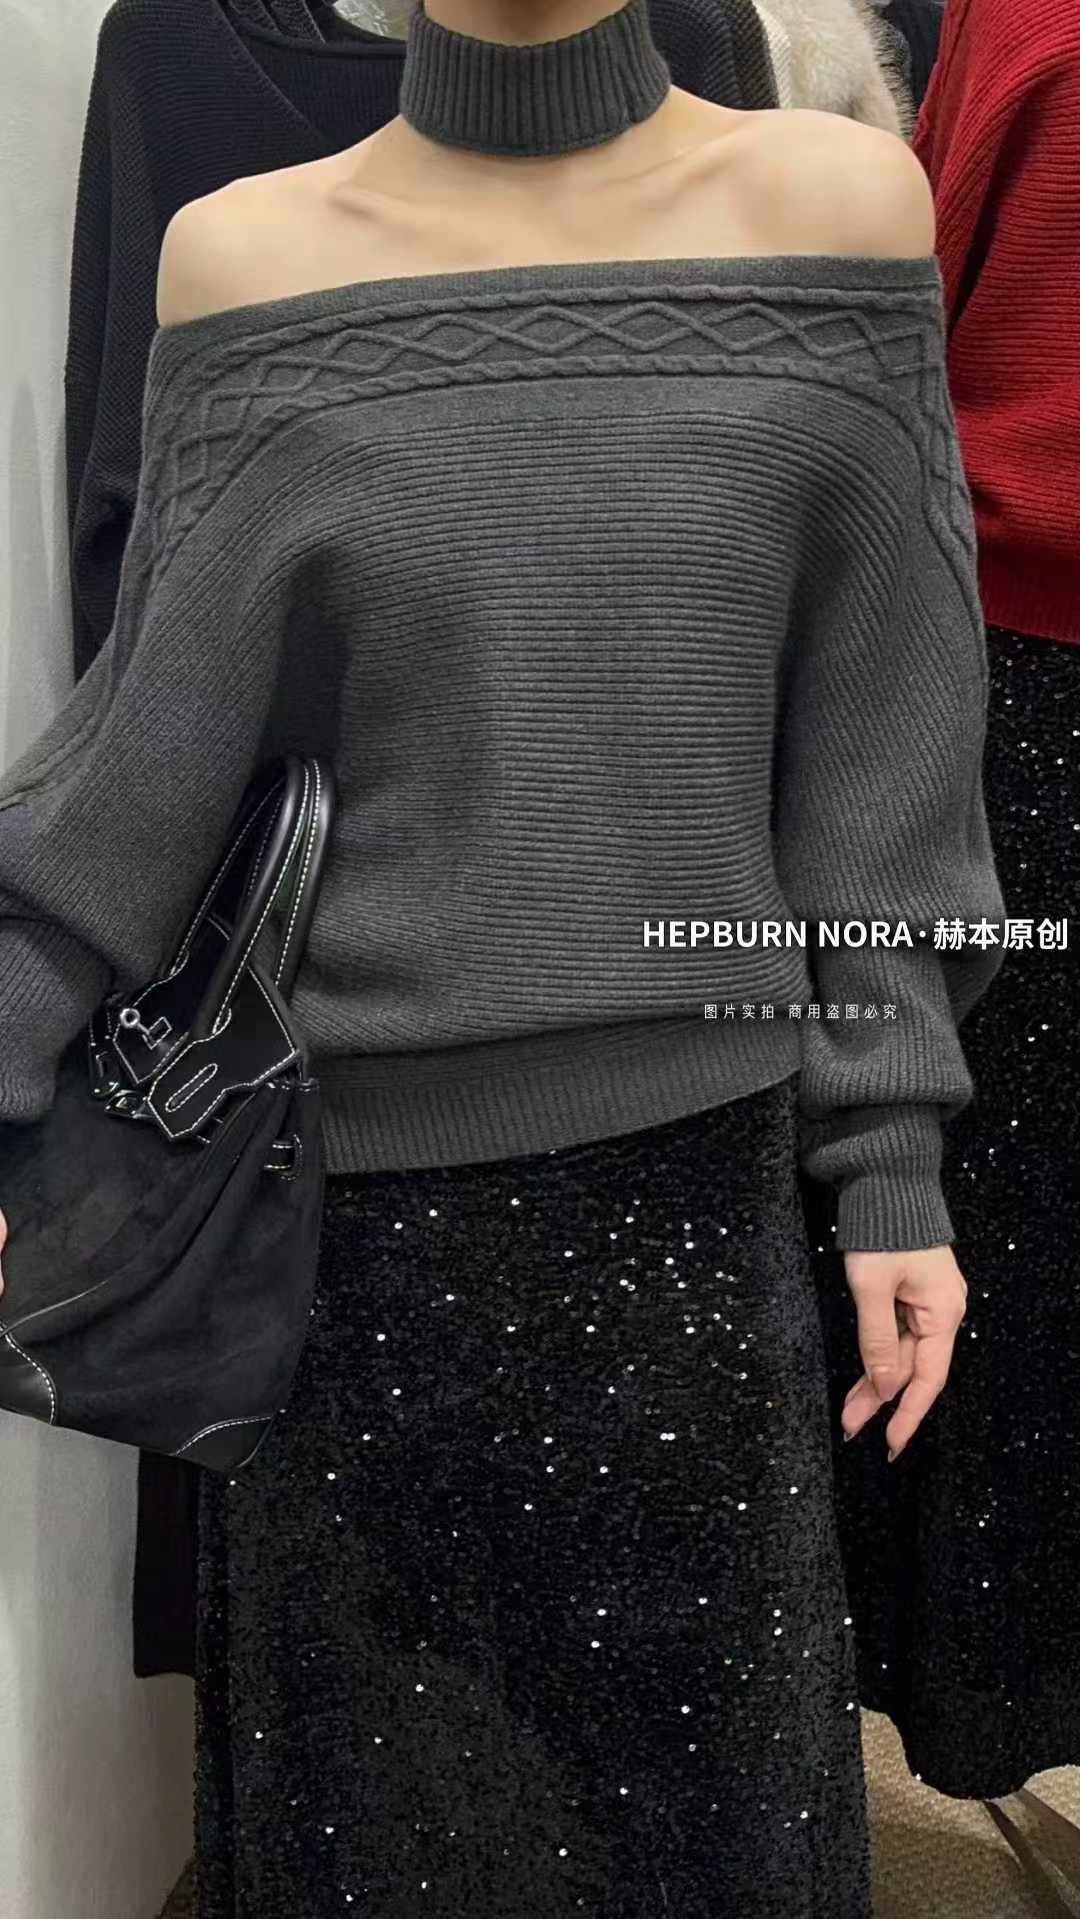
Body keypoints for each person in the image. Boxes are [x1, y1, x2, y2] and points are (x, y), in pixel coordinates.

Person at [0, 1, 1004, 1911]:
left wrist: (893, 1158)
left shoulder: (839, 211)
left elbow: (882, 745)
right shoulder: (248, 256)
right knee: (385, 1847)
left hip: (691, 1240)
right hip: (346, 1259)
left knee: (707, 1845)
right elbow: (133, 779)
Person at [817, 0, 1080, 1801]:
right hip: (1022, 676)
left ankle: (990, 1684)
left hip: (1017, 675)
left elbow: (907, 335)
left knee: (1003, 1210)